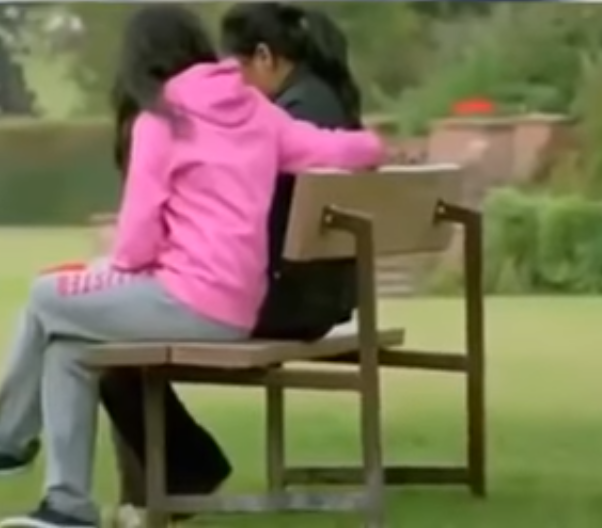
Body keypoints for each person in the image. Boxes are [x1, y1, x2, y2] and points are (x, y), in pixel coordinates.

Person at [0, 4, 383, 528]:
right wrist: (378, 147)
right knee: (69, 349)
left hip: (190, 301)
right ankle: (66, 508)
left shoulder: (160, 120)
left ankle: (4, 442)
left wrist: (111, 269)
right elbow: (338, 148)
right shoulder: (257, 112)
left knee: (45, 295)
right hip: (239, 304)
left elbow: (137, 244)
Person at [99, 1, 371, 513]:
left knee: (110, 339)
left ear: (264, 57)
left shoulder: (285, 114)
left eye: (237, 69)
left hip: (275, 301)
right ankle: (174, 478)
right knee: (122, 325)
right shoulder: (323, 100)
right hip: (320, 297)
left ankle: (170, 482)